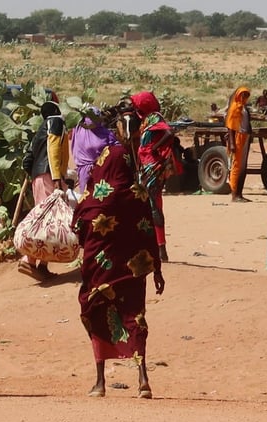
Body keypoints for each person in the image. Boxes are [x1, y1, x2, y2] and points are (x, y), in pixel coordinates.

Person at [71, 118, 165, 398]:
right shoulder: (138, 195)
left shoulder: (93, 198)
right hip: (132, 272)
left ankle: (100, 382)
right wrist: (157, 270)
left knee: (96, 312)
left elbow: (78, 227)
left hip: (99, 272)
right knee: (134, 316)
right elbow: (151, 234)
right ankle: (142, 377)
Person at [18, 101, 69, 281]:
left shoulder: (41, 127)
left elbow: (29, 157)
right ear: (56, 111)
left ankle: (42, 264)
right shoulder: (56, 122)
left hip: (38, 176)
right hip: (49, 175)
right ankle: (30, 260)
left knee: (45, 219)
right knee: (49, 220)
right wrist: (57, 178)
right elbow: (53, 148)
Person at [131, 91, 178, 262]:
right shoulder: (146, 120)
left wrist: (153, 148)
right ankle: (155, 247)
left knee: (153, 205)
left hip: (153, 166)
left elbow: (169, 133)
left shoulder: (155, 117)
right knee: (149, 204)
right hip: (147, 166)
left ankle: (161, 249)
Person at [226, 86, 252, 203]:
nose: (244, 97)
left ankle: (239, 194)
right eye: (243, 95)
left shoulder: (243, 108)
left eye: (246, 95)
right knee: (236, 167)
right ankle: (234, 194)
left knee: (242, 166)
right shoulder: (235, 108)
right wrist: (232, 143)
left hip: (244, 137)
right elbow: (230, 128)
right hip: (237, 138)